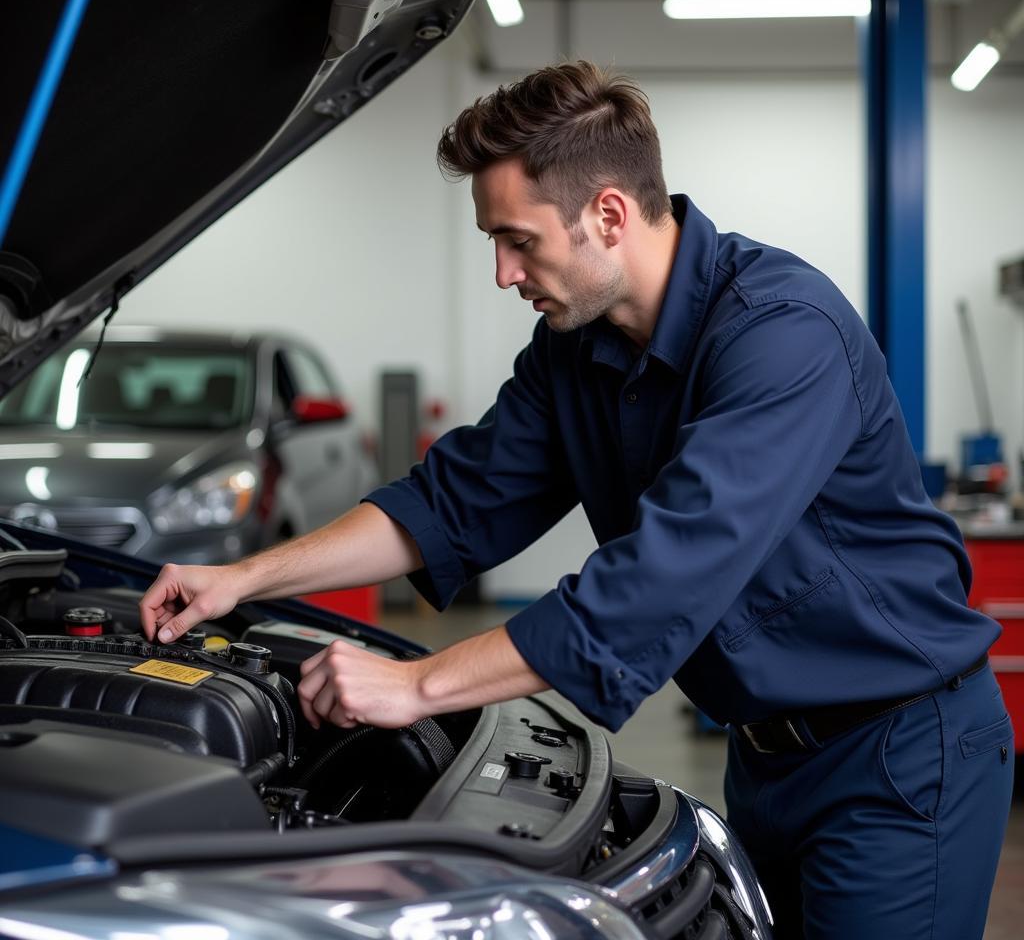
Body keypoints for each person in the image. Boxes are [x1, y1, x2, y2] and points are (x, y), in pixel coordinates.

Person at [140, 61, 1013, 939]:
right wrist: (242, 578)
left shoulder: (784, 334)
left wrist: (417, 685)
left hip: (899, 756)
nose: (501, 271)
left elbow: (655, 583)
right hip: (766, 760)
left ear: (607, 214)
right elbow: (448, 503)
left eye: (519, 241)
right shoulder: (575, 352)